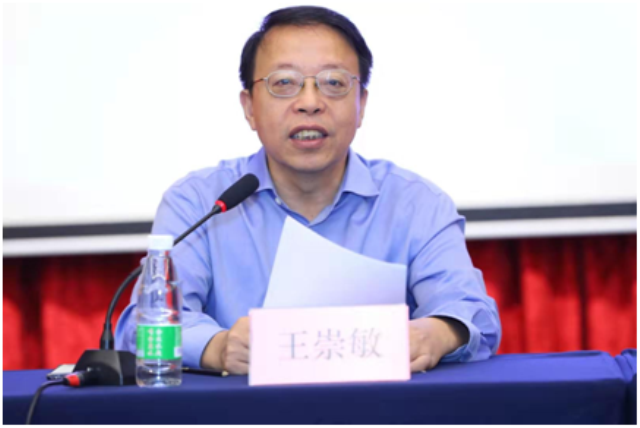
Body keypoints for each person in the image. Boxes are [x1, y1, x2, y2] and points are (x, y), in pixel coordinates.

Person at [115, 5, 501, 374]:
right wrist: (217, 347)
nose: (310, 103)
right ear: (249, 107)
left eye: (334, 83)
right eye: (284, 83)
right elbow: (142, 327)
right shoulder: (199, 202)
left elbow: (474, 314)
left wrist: (437, 333)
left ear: (361, 104)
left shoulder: (415, 204)